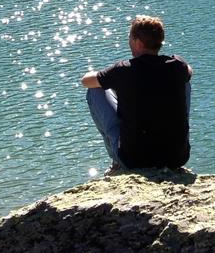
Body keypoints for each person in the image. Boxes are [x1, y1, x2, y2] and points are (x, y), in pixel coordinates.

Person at [81, 15, 192, 171]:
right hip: (176, 158)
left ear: (138, 43)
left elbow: (86, 81)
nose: (128, 42)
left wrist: (111, 80)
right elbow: (189, 70)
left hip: (135, 160)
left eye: (130, 38)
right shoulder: (177, 66)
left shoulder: (123, 70)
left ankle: (117, 162)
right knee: (184, 81)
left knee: (94, 91)